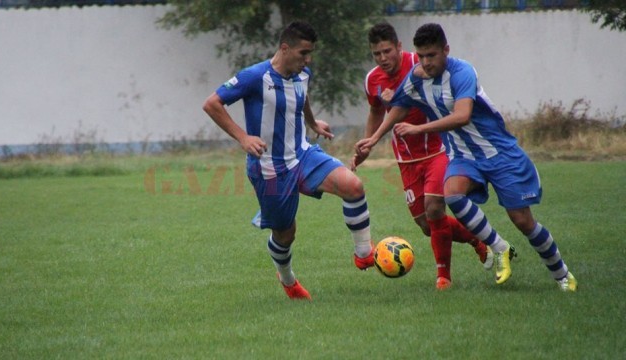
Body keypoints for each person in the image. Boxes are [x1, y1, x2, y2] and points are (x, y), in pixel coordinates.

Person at [355, 23, 577, 291]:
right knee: (451, 196)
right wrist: (373, 140)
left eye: (432, 56)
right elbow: (398, 106)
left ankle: (563, 275)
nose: (426, 62)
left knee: (523, 221)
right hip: (463, 155)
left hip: (499, 153)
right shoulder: (415, 76)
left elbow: (462, 116)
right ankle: (498, 247)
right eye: (422, 56)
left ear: (446, 51)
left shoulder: (462, 72)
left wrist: (419, 128)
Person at [203, 21, 375, 301]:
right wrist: (243, 138)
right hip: (270, 169)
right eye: (303, 53)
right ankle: (288, 280)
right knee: (286, 232)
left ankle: (364, 254)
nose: (308, 60)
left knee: (353, 186)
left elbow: (301, 96)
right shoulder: (254, 76)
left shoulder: (302, 73)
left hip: (303, 155)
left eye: (310, 54)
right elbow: (211, 104)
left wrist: (312, 122)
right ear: (285, 48)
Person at [351, 22, 492, 290]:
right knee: (428, 225)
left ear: (399, 47)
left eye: (387, 51)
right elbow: (376, 111)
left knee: (435, 207)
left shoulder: (421, 63)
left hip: (439, 150)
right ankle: (478, 238)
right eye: (376, 54)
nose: (383, 59)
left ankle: (443, 278)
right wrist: (368, 143)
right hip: (406, 160)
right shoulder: (372, 80)